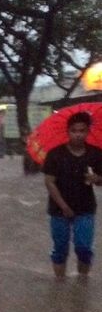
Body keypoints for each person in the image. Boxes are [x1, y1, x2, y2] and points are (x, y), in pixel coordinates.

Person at [43, 111, 102, 279]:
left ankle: (82, 283)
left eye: (82, 130)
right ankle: (60, 287)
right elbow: (49, 182)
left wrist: (96, 178)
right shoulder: (55, 154)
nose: (78, 134)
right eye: (74, 131)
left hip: (85, 208)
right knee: (60, 249)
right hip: (59, 209)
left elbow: (101, 181)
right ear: (68, 132)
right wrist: (64, 206)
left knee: (84, 248)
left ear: (88, 131)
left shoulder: (96, 153)